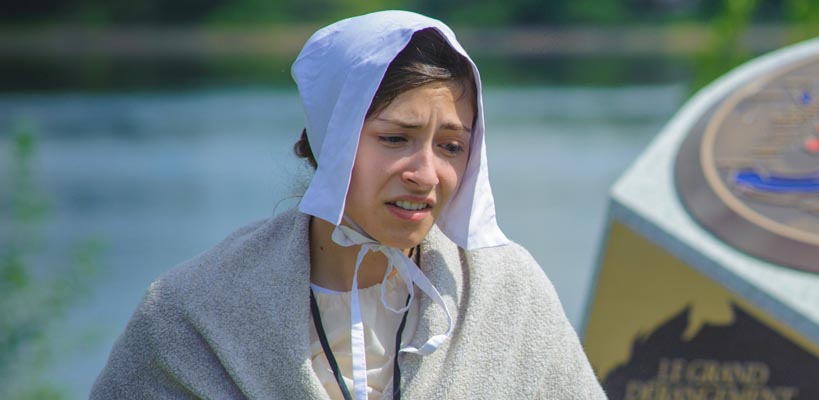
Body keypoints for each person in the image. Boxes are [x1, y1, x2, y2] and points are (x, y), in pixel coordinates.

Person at [91, 11, 606, 399]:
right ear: (330, 141)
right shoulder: (195, 311)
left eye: (451, 146)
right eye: (395, 138)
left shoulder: (505, 294)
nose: (426, 174)